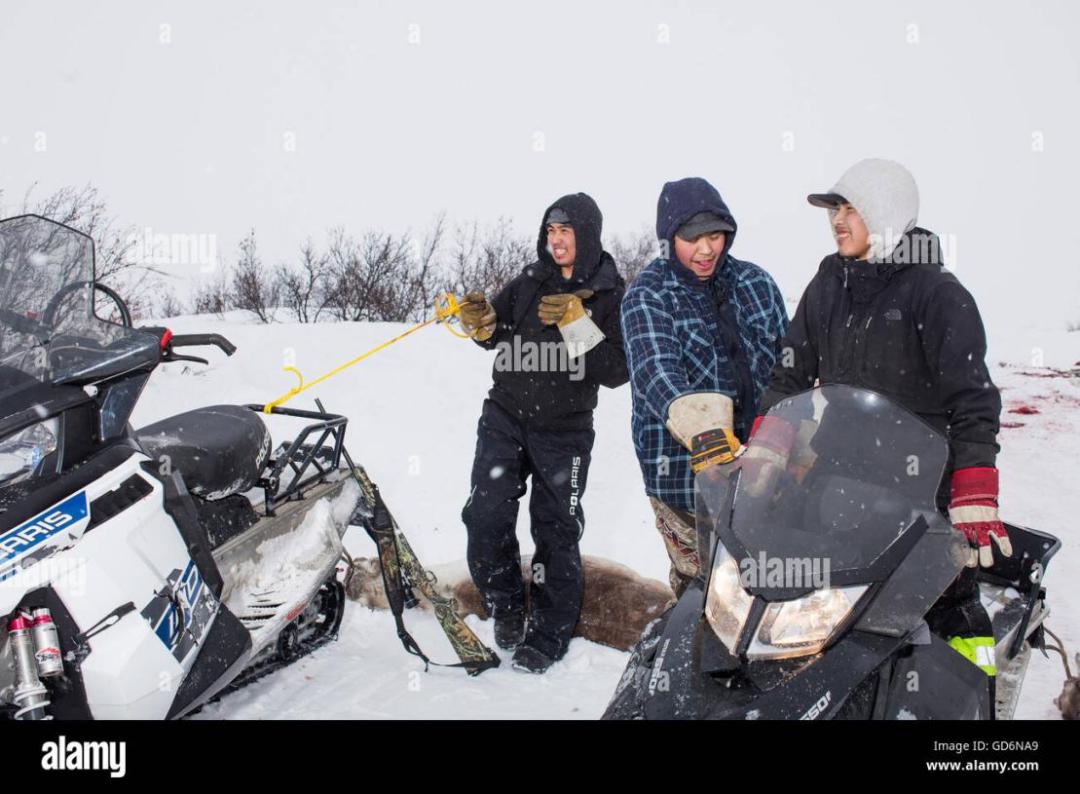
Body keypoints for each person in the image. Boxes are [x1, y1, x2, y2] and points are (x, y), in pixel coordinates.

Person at [752, 157, 1009, 679]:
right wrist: (767, 442)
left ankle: (977, 690)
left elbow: (974, 399)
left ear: (887, 214)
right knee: (805, 590)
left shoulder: (939, 294)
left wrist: (974, 488)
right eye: (834, 210)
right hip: (834, 477)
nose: (837, 221)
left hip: (918, 490)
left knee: (948, 604)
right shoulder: (828, 284)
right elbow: (789, 373)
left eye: (850, 209)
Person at [456, 192, 628, 673]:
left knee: (556, 529)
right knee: (485, 515)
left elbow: (617, 371)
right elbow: (497, 330)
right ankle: (507, 604)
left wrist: (578, 326)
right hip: (506, 416)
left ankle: (550, 632)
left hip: (564, 432)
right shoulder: (529, 281)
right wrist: (482, 324)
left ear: (586, 235)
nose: (556, 240)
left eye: (565, 231)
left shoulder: (610, 294)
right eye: (550, 231)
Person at [621, 177, 788, 597]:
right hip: (682, 476)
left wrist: (792, 424)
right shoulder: (648, 295)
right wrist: (701, 429)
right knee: (707, 589)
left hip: (762, 467)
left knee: (766, 582)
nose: (706, 249)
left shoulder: (756, 283)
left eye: (715, 235)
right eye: (692, 238)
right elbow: (656, 372)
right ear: (669, 239)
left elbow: (788, 364)